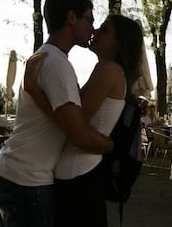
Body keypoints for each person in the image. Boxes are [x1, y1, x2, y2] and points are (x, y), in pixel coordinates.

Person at [0, 0, 114, 227]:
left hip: (16, 173)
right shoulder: (57, 65)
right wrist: (110, 145)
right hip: (29, 182)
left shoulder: (46, 58)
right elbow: (77, 133)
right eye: (89, 19)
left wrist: (34, 91)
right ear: (71, 18)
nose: (92, 27)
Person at [24, 14, 143, 226]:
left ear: (119, 43)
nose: (95, 31)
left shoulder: (108, 70)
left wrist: (33, 90)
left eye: (104, 30)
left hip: (78, 175)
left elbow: (74, 124)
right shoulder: (111, 71)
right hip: (81, 172)